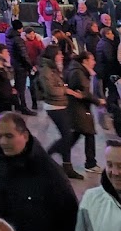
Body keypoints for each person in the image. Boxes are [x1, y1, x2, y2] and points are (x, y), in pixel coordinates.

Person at [39, 44, 83, 179]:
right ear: (53, 55)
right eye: (59, 54)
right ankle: (51, 155)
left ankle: (64, 163)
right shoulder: (47, 70)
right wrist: (67, 90)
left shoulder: (54, 68)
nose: (61, 55)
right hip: (54, 106)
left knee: (69, 134)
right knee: (67, 135)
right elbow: (51, 90)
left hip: (61, 104)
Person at [66, 50, 104, 175]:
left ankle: (60, 152)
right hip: (78, 108)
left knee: (78, 134)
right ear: (85, 61)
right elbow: (84, 92)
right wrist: (98, 101)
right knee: (89, 133)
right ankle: (90, 163)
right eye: (92, 59)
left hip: (79, 108)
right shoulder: (78, 72)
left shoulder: (79, 70)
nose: (94, 62)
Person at [5, 19, 36, 116]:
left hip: (14, 63)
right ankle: (24, 107)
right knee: (21, 88)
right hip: (20, 66)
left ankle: (17, 105)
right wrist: (30, 66)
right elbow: (24, 55)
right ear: (19, 29)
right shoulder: (18, 40)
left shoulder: (9, 36)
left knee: (17, 86)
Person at [23, 26, 44, 110]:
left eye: (33, 33)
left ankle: (42, 97)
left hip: (37, 65)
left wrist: (37, 65)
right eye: (29, 34)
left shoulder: (38, 41)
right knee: (32, 84)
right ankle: (34, 102)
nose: (31, 35)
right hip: (29, 66)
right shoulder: (24, 43)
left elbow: (42, 53)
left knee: (40, 82)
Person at [95, 25, 119, 96]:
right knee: (112, 89)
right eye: (111, 33)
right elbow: (109, 58)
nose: (113, 35)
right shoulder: (106, 44)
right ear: (107, 34)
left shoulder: (103, 42)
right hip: (107, 70)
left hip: (103, 69)